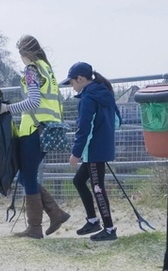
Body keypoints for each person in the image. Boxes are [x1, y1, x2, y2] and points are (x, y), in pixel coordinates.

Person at [0, 35, 70, 239]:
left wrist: (7, 108)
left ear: (23, 53)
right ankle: (55, 213)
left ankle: (35, 227)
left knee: (27, 176)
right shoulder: (47, 69)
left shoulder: (31, 70)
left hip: (34, 129)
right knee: (25, 175)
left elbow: (33, 101)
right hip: (49, 129)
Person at [62, 62, 122, 241]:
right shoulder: (105, 94)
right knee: (79, 181)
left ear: (80, 79)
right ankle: (93, 221)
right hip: (100, 149)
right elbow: (118, 122)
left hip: (94, 151)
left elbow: (84, 129)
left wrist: (76, 153)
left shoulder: (88, 99)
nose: (72, 87)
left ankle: (109, 229)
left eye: (72, 83)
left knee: (98, 188)